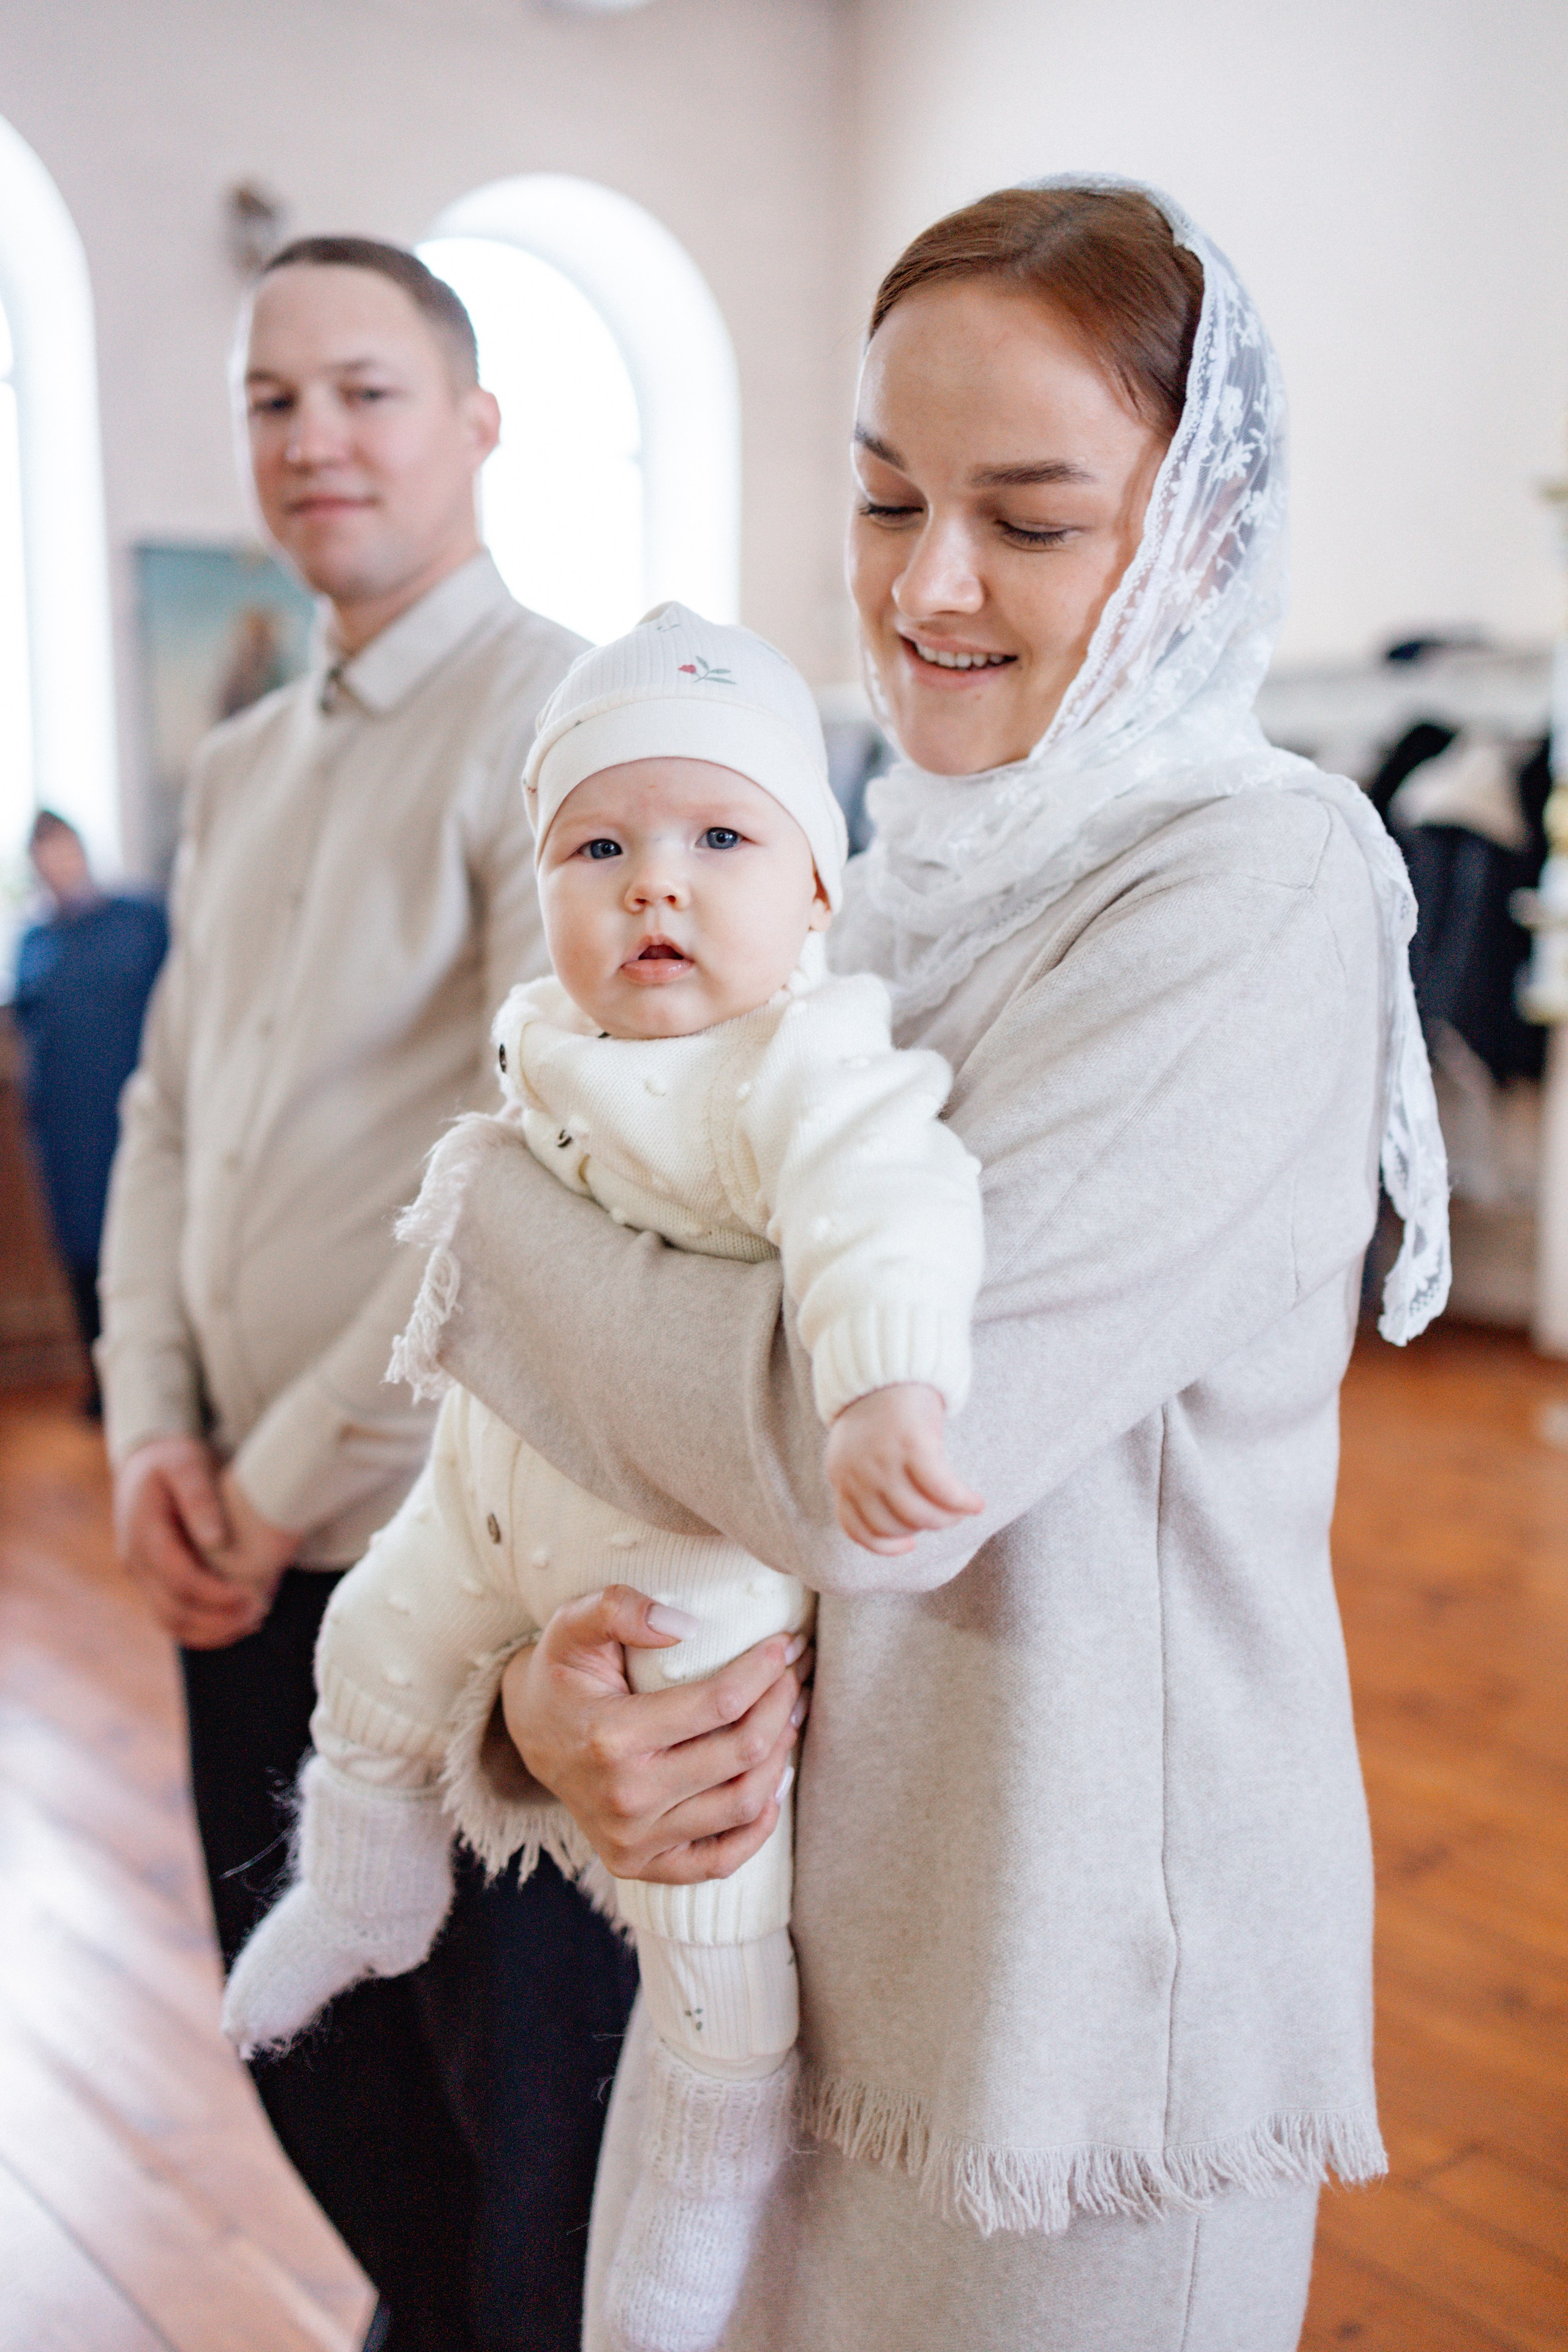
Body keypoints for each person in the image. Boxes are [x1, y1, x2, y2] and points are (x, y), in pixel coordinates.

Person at [414, 181, 1450, 2352]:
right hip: (780, 1965)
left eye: (1035, 518)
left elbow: (866, 1444)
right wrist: (539, 1718)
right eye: (889, 500)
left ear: (1196, 525)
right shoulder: (871, 882)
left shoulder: (1251, 890)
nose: (932, 586)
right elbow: (620, 1434)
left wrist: (487, 1223)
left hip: (1065, 2020)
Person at [218, 601, 985, 2352]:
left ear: (812, 891)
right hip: (482, 1494)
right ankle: (361, 1879)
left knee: (709, 1898)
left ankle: (700, 2185)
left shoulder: (796, 1061)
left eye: (721, 839)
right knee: (364, 1655)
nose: (657, 886)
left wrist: (880, 1391)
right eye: (602, 845)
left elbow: (888, 1202)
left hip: (676, 1555)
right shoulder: (545, 1036)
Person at [97, 235, 640, 2352]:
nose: (313, 437)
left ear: (478, 422)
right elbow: (162, 1119)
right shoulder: (241, 762)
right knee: (302, 2032)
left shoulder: (563, 716)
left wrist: (288, 1464)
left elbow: (532, 1152)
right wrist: (157, 1425)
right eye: (270, 402)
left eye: (365, 390)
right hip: (226, 1526)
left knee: (512, 2091)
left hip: (443, 1538)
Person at [11, 810, 167, 1414]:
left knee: (148, 1239)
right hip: (64, 1125)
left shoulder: (142, 921)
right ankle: (108, 1384)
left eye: (68, 850)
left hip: (133, 1111)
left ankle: (164, 1386)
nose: (62, 865)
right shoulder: (35, 944)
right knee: (83, 1252)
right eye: (48, 856)